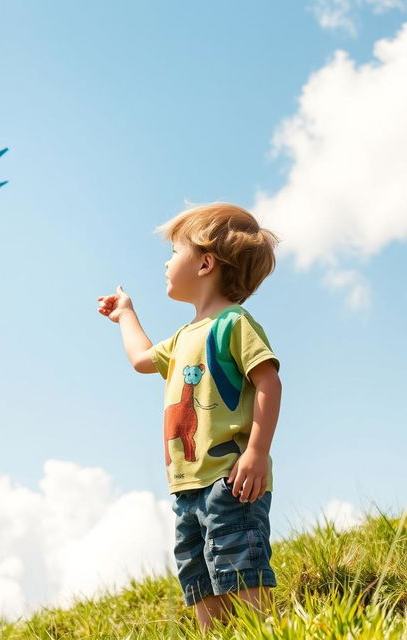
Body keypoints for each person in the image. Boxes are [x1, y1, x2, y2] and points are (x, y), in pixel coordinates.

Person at [97, 202, 282, 634]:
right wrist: (126, 313)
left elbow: (269, 384)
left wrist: (256, 452)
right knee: (198, 578)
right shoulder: (182, 337)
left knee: (241, 567)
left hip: (228, 479)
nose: (165, 261)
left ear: (204, 263)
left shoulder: (233, 323)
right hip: (186, 486)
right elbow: (143, 359)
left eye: (174, 251)